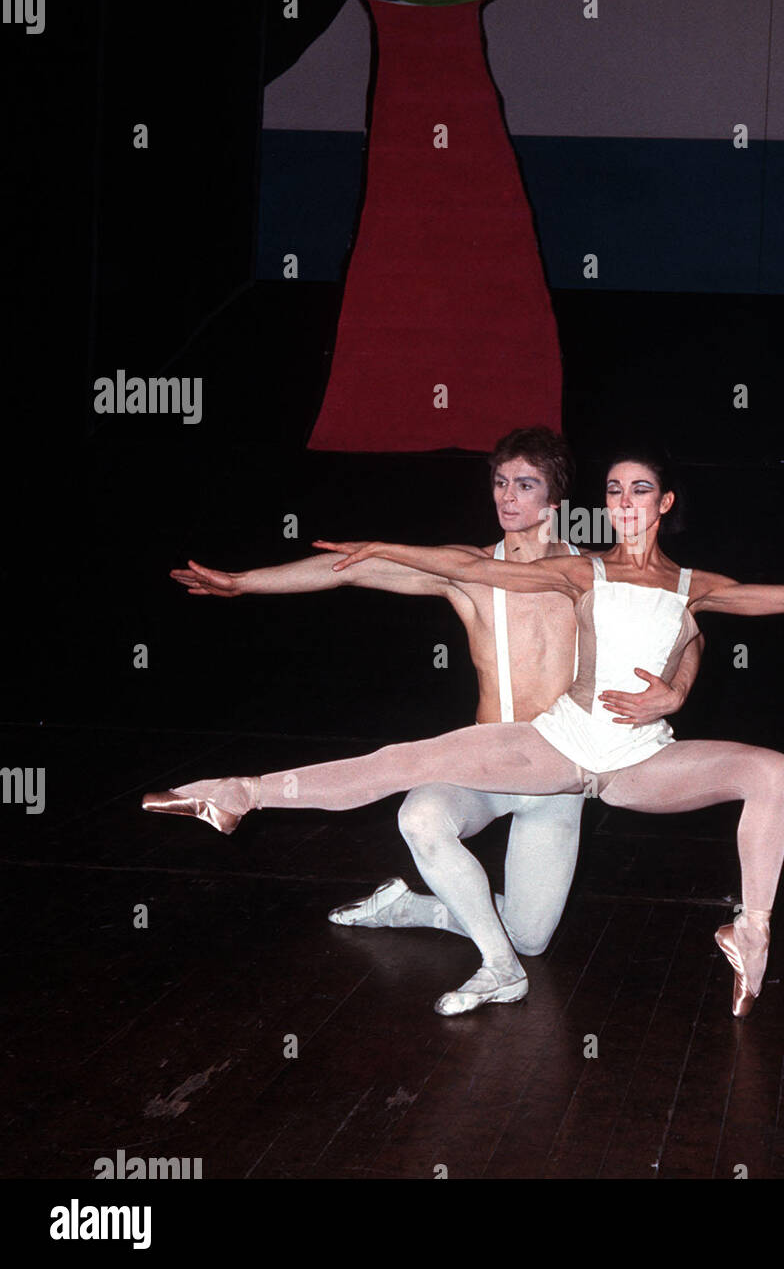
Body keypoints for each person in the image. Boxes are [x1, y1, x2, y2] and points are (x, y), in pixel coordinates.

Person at [147, 452, 784, 1018]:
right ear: (599, 503)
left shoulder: (694, 587)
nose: (624, 502)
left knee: (773, 771)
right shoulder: (583, 569)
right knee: (405, 770)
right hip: (554, 744)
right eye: (614, 490)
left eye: (639, 490)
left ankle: (749, 931)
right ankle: (237, 793)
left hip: (633, 764)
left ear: (664, 502)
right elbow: (467, 569)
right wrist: (375, 547)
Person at [164, 428, 703, 1015]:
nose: (507, 496)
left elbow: (685, 621)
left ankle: (413, 908)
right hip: (486, 762)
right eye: (500, 482)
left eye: (525, 485)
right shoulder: (466, 571)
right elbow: (349, 569)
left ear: (555, 502)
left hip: (559, 774)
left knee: (532, 938)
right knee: (419, 816)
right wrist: (244, 583)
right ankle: (498, 969)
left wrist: (674, 693)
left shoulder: (596, 575)